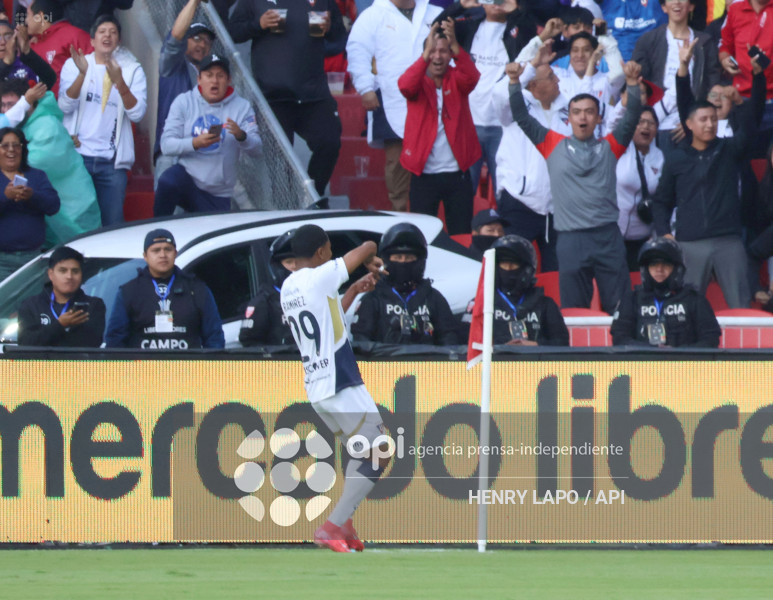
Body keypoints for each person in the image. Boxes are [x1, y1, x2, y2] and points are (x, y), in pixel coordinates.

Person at [280, 223, 389, 552]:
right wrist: (370, 250)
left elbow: (328, 322)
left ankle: (345, 527)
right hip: (340, 380)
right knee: (379, 450)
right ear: (321, 253)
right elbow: (366, 246)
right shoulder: (320, 275)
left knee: (361, 451)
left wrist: (353, 291)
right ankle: (331, 527)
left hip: (317, 386)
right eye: (329, 249)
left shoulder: (289, 287)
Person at [505, 58, 644, 313]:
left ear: (599, 118)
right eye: (577, 112)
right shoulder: (551, 143)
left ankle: (624, 352)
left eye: (589, 112)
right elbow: (522, 117)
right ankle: (576, 355)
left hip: (608, 237)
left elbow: (632, 116)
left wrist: (633, 84)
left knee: (621, 309)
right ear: (567, 118)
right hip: (570, 239)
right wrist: (514, 83)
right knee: (574, 311)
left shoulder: (610, 147)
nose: (583, 117)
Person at [652, 40, 767, 308]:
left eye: (714, 119)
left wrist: (758, 77)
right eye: (703, 119)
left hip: (729, 242)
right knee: (685, 309)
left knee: (741, 308)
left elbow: (753, 121)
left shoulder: (729, 150)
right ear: (688, 124)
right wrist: (663, 232)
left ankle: (746, 352)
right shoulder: (677, 158)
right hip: (690, 244)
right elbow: (661, 201)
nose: (710, 123)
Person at [227, 0, 345, 197]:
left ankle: (312, 196)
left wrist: (330, 28)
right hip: (273, 95)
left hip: (313, 93)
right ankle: (288, 206)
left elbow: (339, 37)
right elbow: (233, 31)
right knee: (280, 162)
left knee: (330, 142)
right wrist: (259, 25)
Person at [346, 0, 442, 211]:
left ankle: (426, 214)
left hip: (432, 99)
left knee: (434, 160)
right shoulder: (372, 15)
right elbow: (357, 51)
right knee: (396, 161)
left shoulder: (435, 13)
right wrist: (365, 88)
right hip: (391, 96)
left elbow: (452, 52)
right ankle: (399, 213)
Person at [436, 0, 539, 193]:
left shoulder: (518, 29)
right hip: (470, 122)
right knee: (465, 191)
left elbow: (531, 34)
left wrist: (516, 9)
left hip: (504, 124)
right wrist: (460, 5)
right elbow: (435, 31)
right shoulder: (468, 26)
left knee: (505, 189)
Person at [58, 14, 147, 226]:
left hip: (112, 163)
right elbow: (64, 106)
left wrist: (121, 83)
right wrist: (82, 75)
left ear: (119, 41)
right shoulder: (75, 64)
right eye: (102, 31)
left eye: (113, 32)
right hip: (78, 158)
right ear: (92, 40)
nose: (107, 35)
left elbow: (137, 114)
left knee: (112, 225)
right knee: (77, 222)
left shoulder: (132, 69)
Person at [398, 20, 481, 235]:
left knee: (461, 233)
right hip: (424, 173)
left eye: (443, 51)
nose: (438, 56)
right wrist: (424, 55)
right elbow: (405, 86)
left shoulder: (456, 78)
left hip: (457, 173)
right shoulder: (417, 80)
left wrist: (455, 46)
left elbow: (473, 77)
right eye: (432, 51)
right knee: (422, 235)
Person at [155, 54, 262, 216]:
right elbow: (166, 145)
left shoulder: (242, 107)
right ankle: (157, 231)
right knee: (167, 181)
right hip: (187, 178)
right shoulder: (183, 101)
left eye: (220, 76)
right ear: (199, 79)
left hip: (218, 192)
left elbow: (257, 150)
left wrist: (242, 136)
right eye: (209, 75)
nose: (214, 81)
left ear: (229, 80)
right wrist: (195, 143)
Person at [0, 78, 101, 247]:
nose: (5, 110)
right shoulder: (26, 126)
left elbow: (33, 162)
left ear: (29, 104)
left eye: (11, 105)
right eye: (2, 106)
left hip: (75, 212)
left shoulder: (47, 126)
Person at [492, 42, 566, 272]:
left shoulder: (568, 110)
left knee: (556, 274)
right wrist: (532, 65)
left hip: (557, 208)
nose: (558, 81)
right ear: (533, 84)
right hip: (519, 201)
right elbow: (499, 95)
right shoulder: (515, 108)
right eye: (551, 77)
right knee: (511, 268)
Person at [240, 229, 377, 346]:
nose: (295, 267)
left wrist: (353, 290)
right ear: (276, 265)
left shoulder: (313, 286)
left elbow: (329, 320)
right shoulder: (266, 300)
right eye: (289, 262)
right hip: (283, 372)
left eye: (298, 262)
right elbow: (250, 344)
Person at [105, 228, 225, 350]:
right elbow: (115, 342)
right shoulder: (129, 292)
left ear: (175, 253)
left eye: (168, 249)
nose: (163, 255)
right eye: (156, 250)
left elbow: (214, 337)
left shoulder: (197, 289)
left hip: (187, 368)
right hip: (142, 368)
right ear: (145, 256)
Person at [351, 222, 459, 345]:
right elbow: (361, 342)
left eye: (409, 258)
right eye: (398, 257)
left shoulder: (434, 298)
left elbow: (449, 339)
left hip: (427, 363)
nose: (403, 262)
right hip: (383, 363)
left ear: (420, 261)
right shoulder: (373, 298)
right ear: (387, 260)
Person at [631, 0, 720, 149]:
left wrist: (693, 121)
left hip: (692, 121)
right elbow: (641, 82)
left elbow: (713, 84)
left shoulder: (705, 42)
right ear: (664, 7)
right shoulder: (648, 40)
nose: (677, 2)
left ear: (691, 6)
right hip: (656, 118)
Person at [611, 236, 721, 347]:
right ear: (645, 269)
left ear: (677, 269)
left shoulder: (694, 299)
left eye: (665, 264)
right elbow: (620, 339)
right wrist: (651, 352)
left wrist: (675, 355)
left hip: (683, 363)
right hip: (644, 363)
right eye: (653, 264)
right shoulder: (631, 299)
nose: (659, 269)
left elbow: (710, 340)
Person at [462, 234, 568, 345]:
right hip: (493, 361)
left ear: (526, 269)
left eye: (513, 264)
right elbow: (465, 343)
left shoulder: (545, 304)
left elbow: (563, 343)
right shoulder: (479, 303)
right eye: (504, 264)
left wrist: (535, 346)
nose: (508, 269)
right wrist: (499, 349)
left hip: (535, 360)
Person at [155, 0, 215, 185]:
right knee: (171, 214)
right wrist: (194, 2)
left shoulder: (214, 79)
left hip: (204, 160)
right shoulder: (173, 67)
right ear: (185, 41)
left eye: (207, 41)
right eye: (196, 38)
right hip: (173, 156)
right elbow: (175, 36)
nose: (202, 44)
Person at [0, 126, 59, 281]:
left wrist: (32, 195)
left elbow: (54, 206)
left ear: (23, 149)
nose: (11, 150)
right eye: (5, 146)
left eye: (16, 145)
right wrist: (5, 197)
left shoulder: (37, 176)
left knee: (31, 305)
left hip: (33, 259)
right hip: (1, 261)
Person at [17, 245, 105, 346]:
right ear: (51, 274)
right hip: (40, 362)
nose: (69, 276)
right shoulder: (31, 305)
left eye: (75, 271)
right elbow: (25, 343)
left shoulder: (94, 305)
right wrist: (60, 325)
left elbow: (92, 344)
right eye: (63, 271)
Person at [719, 0, 773, 157]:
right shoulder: (735, 10)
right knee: (743, 158)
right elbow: (724, 46)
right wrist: (725, 60)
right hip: (742, 99)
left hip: (772, 97)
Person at [616, 106, 663, 270]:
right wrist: (624, 104)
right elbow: (612, 124)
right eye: (640, 122)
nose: (645, 127)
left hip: (644, 238)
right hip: (614, 237)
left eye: (651, 123)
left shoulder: (661, 158)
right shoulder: (618, 149)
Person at [27, 0, 92, 96]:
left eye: (28, 15)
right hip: (41, 108)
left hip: (73, 104)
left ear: (39, 16)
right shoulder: (32, 45)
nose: (26, 20)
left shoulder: (74, 35)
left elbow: (96, 66)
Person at [0, 18, 56, 88]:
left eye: (8, 36)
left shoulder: (27, 61)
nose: (3, 42)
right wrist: (6, 62)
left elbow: (50, 79)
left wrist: (27, 51)